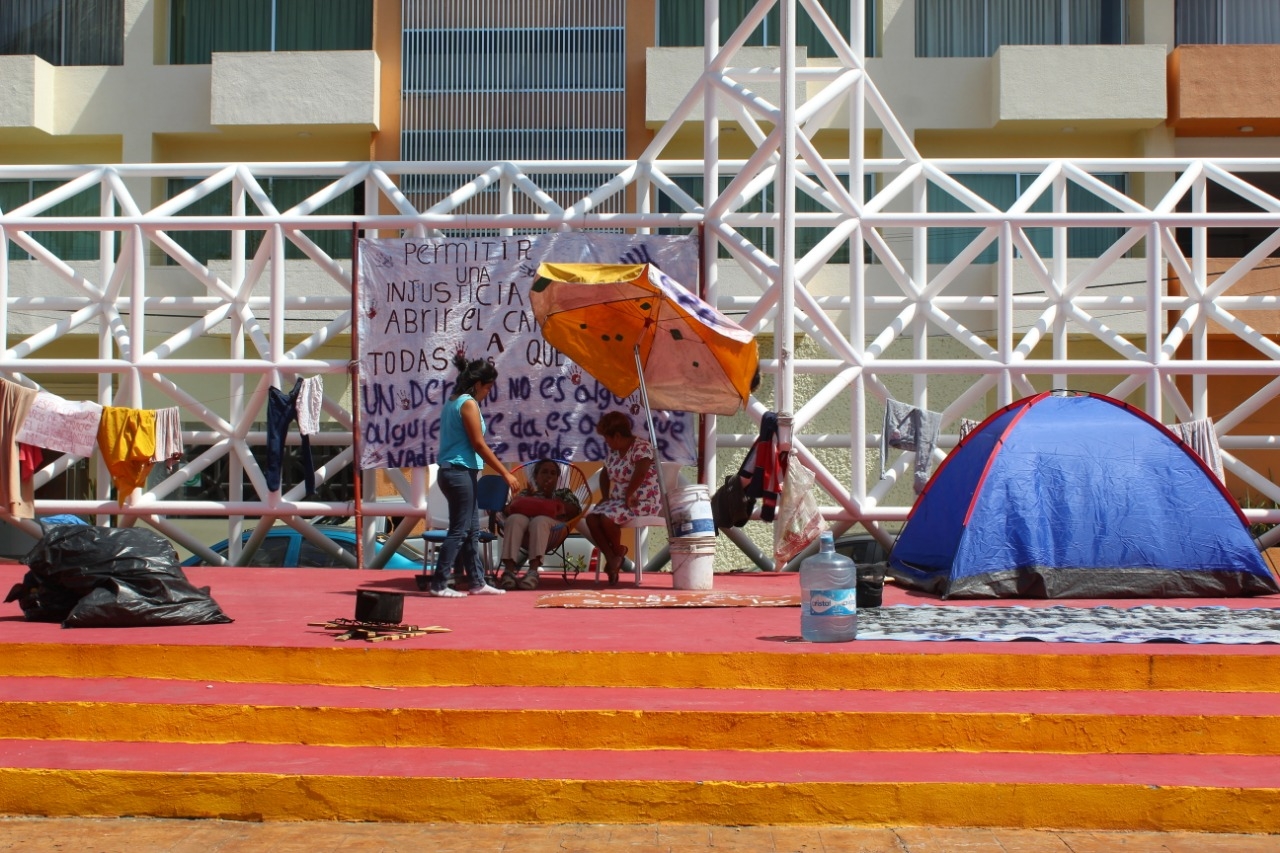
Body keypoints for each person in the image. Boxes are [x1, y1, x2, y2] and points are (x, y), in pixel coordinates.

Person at [428, 353, 519, 598]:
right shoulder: (467, 403)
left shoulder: (454, 401)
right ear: (478, 384)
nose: (489, 392)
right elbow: (479, 444)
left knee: (471, 530)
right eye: (488, 386)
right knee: (459, 530)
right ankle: (439, 583)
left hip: (457, 472)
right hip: (459, 472)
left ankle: (477, 581)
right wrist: (505, 474)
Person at [584, 411, 662, 586]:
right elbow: (604, 475)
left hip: (641, 500)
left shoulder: (641, 448)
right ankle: (615, 555)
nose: (607, 442)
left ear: (617, 435)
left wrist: (628, 494)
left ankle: (615, 557)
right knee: (591, 519)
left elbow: (641, 473)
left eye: (608, 438)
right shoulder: (613, 452)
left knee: (606, 519)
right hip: (618, 502)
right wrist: (605, 497)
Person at [497, 458, 583, 591]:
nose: (549, 475)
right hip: (524, 533)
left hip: (552, 532)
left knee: (540, 520)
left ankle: (533, 571)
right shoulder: (527, 493)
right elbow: (508, 510)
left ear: (557, 478)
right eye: (544, 472)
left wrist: (552, 499)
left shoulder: (563, 493)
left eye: (553, 473)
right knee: (514, 518)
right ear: (536, 477)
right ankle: (509, 571)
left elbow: (576, 511)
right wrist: (524, 500)